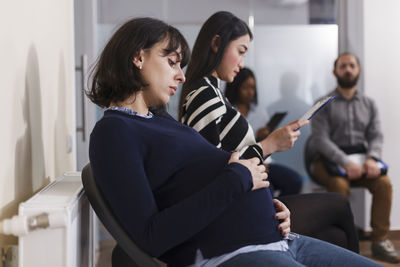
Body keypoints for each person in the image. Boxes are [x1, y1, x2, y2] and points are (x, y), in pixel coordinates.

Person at [87, 17, 380, 267]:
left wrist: (270, 210)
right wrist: (238, 177)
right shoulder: (114, 132)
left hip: (278, 240)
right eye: (172, 61)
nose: (181, 75)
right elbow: (150, 236)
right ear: (138, 57)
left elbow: (199, 184)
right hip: (232, 253)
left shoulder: (159, 121)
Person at [179, 11, 359, 253]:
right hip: (239, 218)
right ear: (216, 44)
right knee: (339, 206)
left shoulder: (213, 93)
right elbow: (212, 173)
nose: (242, 63)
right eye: (241, 51)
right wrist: (269, 145)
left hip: (251, 205)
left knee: (335, 235)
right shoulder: (205, 95)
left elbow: (224, 162)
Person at [306, 52, 399, 264]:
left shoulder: (369, 104)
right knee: (339, 185)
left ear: (358, 70)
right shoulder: (323, 103)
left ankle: (380, 241)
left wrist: (372, 159)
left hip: (361, 161)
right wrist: (344, 162)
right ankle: (342, 244)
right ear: (335, 72)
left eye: (351, 65)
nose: (347, 69)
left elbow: (376, 135)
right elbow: (320, 139)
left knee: (384, 184)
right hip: (327, 162)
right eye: (343, 66)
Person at [225, 67, 303, 196]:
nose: (250, 92)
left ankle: (281, 212)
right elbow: (231, 146)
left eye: (253, 88)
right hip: (244, 163)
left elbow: (268, 141)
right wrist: (256, 136)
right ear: (235, 87)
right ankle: (271, 212)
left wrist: (266, 136)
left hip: (265, 160)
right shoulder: (228, 112)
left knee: (295, 181)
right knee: (267, 191)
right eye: (245, 87)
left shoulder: (259, 111)